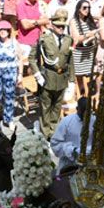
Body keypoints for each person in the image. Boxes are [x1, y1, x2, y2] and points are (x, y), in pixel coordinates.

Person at [30, 9, 75, 139]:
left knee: (57, 107)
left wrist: (72, 81)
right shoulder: (44, 39)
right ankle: (45, 134)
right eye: (58, 26)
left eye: (63, 26)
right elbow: (32, 58)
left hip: (62, 78)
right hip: (47, 78)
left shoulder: (68, 40)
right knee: (45, 108)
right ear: (52, 25)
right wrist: (37, 75)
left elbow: (70, 61)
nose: (61, 28)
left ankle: (54, 133)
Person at [0, 21, 24, 128]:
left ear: (9, 31)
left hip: (10, 71)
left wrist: (20, 74)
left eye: (5, 30)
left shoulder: (14, 42)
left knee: (9, 96)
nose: (2, 32)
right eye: (0, 30)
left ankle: (9, 119)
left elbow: (20, 59)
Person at [50, 97, 96, 172]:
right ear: (77, 108)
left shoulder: (94, 121)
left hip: (89, 163)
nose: (86, 115)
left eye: (88, 111)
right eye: (83, 111)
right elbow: (55, 144)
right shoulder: (66, 121)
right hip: (70, 164)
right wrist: (72, 150)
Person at [70, 0, 99, 96]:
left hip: (90, 53)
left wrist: (94, 36)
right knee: (80, 77)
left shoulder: (89, 20)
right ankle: (82, 97)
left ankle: (92, 95)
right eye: (84, 8)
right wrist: (88, 35)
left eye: (88, 8)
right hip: (79, 54)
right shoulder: (73, 21)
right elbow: (76, 39)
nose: (87, 10)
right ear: (78, 9)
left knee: (93, 75)